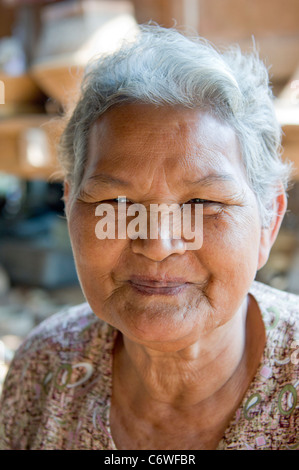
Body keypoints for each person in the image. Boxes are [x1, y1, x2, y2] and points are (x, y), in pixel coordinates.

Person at [0, 25, 298, 451]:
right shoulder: (44, 369)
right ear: (70, 210)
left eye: (201, 202)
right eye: (117, 202)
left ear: (268, 223)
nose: (157, 244)